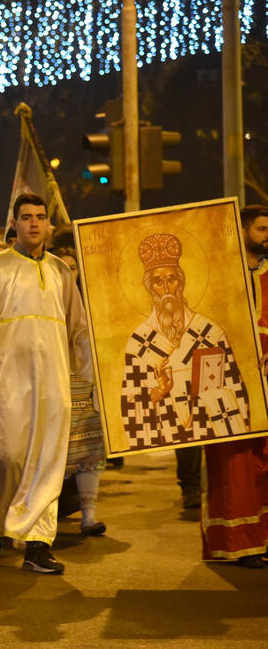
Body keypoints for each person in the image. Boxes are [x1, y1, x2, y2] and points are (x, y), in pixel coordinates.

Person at [0, 193, 92, 574]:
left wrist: (91, 374)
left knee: (49, 462)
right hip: (8, 386)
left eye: (40, 217)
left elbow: (79, 328)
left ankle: (38, 544)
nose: (34, 223)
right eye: (26, 217)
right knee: (8, 460)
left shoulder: (60, 272)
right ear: (14, 223)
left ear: (48, 224)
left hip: (54, 387)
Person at [120, 233, 250, 450]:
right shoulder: (139, 342)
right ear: (150, 287)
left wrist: (208, 396)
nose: (166, 288)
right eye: (158, 282)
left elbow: (234, 386)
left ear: (180, 282)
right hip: (166, 431)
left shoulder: (209, 332)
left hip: (208, 425)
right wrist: (159, 392)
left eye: (171, 279)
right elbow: (130, 403)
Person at [201, 205, 268, 568]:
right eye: (260, 228)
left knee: (264, 466)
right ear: (241, 231)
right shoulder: (222, 274)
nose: (267, 234)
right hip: (230, 385)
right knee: (237, 466)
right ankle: (241, 543)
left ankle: (264, 539)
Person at [52, 247, 107, 536]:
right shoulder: (42, 302)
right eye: (62, 267)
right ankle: (41, 520)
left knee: (89, 451)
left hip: (85, 385)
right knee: (50, 454)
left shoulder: (93, 303)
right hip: (51, 385)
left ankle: (89, 516)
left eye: (72, 268)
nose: (67, 273)